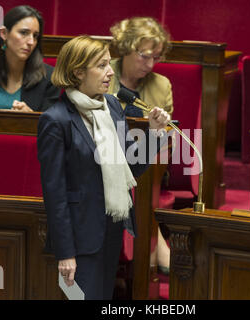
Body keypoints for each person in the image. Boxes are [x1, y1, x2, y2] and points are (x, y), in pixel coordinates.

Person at [37, 35, 170, 299]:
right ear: (78, 72)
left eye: (110, 64)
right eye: (102, 65)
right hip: (79, 238)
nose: (111, 72)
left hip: (110, 230)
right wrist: (66, 253)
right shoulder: (56, 120)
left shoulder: (110, 106)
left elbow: (130, 168)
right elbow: (55, 194)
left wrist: (154, 134)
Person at [109, 16, 173, 274]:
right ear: (126, 47)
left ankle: (138, 262)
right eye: (145, 55)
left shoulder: (161, 85)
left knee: (136, 180)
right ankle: (154, 247)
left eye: (155, 57)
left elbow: (168, 139)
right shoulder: (102, 71)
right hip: (102, 158)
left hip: (146, 164)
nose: (150, 64)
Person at [0, 5, 59, 111]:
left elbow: (52, 125)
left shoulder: (50, 77)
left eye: (35, 36)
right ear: (4, 33)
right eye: (24, 33)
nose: (31, 42)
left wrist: (31, 118)